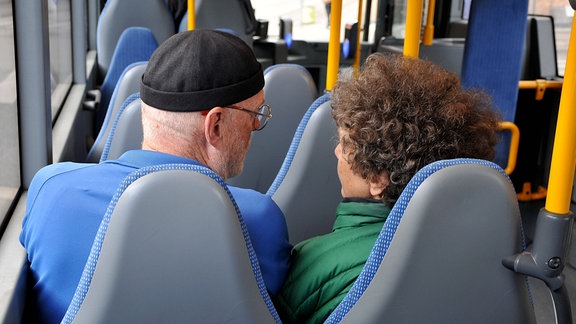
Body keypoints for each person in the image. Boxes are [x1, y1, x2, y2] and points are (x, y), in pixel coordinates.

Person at [20, 30, 292, 323]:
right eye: (255, 114)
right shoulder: (257, 220)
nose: (255, 125)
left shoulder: (50, 188)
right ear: (215, 125)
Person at [274, 52, 502, 323]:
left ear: (378, 180)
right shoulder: (485, 258)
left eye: (346, 145)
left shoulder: (314, 262)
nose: (336, 151)